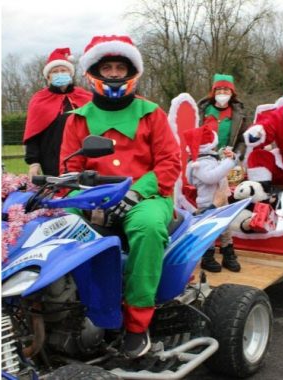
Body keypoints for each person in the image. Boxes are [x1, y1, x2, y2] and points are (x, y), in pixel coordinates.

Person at [59, 35, 181, 358]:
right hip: (93, 196)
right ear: (94, 72)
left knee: (148, 228)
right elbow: (69, 170)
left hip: (147, 195)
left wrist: (136, 193)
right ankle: (64, 311)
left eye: (119, 67)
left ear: (132, 72)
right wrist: (86, 203)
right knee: (57, 223)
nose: (113, 74)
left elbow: (170, 163)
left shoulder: (152, 113)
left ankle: (138, 326)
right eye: (107, 67)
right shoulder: (77, 119)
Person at [23, 47, 92, 177]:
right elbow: (33, 133)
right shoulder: (39, 100)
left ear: (70, 73)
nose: (59, 73)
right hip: (52, 158)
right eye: (55, 72)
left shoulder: (86, 97)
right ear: (48, 77)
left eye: (63, 70)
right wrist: (33, 162)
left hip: (84, 156)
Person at [181, 125, 241, 272]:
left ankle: (228, 254)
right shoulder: (199, 164)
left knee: (226, 229)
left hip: (222, 200)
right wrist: (229, 162)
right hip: (208, 204)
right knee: (210, 232)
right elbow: (211, 177)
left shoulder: (209, 159)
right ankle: (207, 258)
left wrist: (229, 158)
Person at [197, 73, 249, 160]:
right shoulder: (201, 111)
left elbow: (243, 141)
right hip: (203, 160)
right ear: (214, 92)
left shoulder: (239, 115)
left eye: (226, 89)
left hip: (226, 162)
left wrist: (235, 155)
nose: (222, 92)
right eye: (218, 89)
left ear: (231, 93)